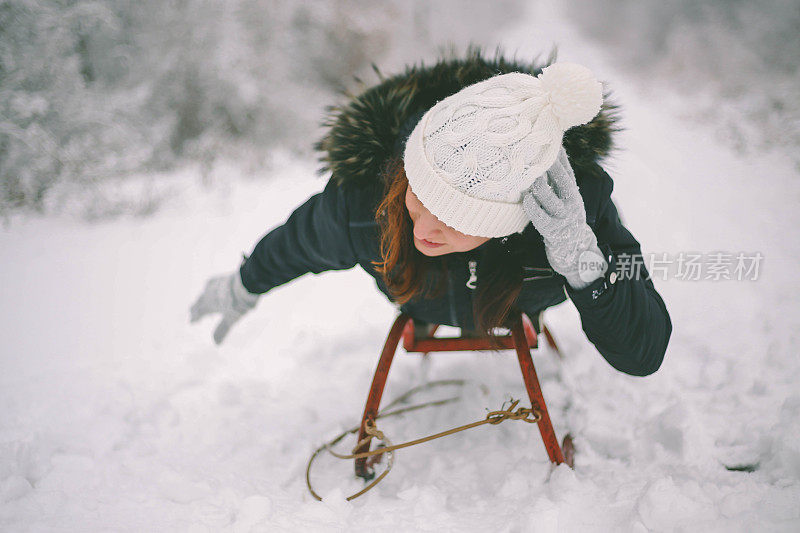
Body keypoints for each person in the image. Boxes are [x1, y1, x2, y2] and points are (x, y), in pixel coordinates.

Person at [190, 51, 672, 377]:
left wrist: (583, 265)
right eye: (420, 196)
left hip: (517, 303)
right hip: (420, 301)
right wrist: (243, 284)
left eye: (456, 216)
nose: (423, 228)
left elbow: (643, 353)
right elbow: (297, 244)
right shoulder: (365, 201)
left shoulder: (572, 216)